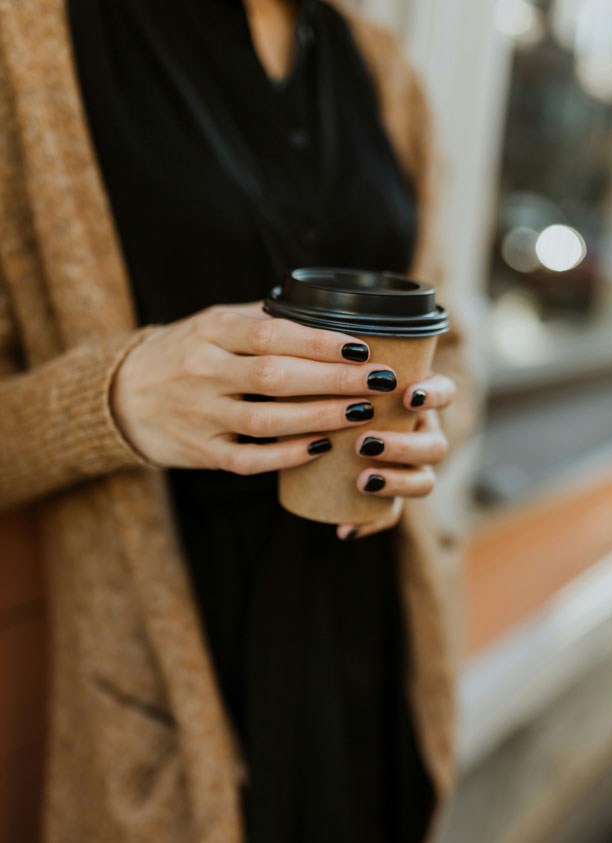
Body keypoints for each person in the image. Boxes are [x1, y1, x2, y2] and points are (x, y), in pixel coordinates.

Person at [0, 0, 472, 840]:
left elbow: (452, 345)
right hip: (173, 668)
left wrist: (428, 424)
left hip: (375, 630)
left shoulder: (382, 69)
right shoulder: (28, 39)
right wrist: (113, 400)